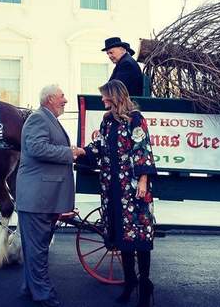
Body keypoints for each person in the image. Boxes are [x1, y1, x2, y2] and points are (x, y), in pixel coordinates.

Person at [75, 79, 157, 307]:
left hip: (132, 188)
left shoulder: (135, 119)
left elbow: (143, 149)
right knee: (123, 239)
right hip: (112, 189)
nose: (102, 99)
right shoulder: (107, 121)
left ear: (115, 96)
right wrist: (82, 151)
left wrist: (143, 179)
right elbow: (99, 147)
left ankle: (144, 286)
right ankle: (130, 282)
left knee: (138, 237)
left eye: (105, 96)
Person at [16, 84, 79, 307]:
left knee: (35, 248)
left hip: (41, 198)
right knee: (38, 250)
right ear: (50, 99)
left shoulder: (47, 118)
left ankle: (29, 288)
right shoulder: (39, 118)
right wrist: (70, 152)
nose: (66, 100)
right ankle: (43, 295)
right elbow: (36, 148)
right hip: (37, 199)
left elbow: (43, 147)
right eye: (62, 96)